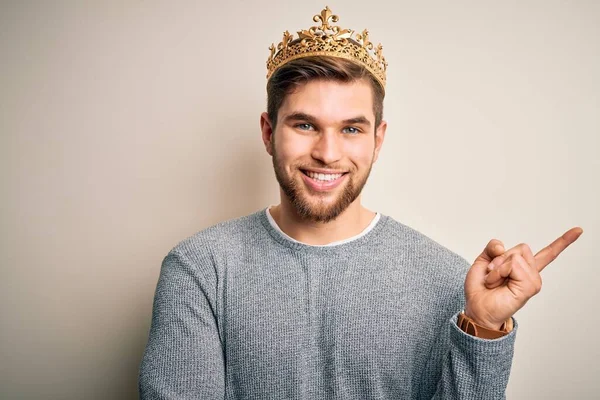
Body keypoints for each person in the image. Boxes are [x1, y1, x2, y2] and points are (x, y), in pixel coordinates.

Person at [138, 7, 582, 399]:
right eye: (305, 125)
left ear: (378, 139)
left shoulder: (450, 283)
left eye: (351, 129)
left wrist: (482, 328)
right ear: (269, 133)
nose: (328, 153)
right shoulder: (199, 271)